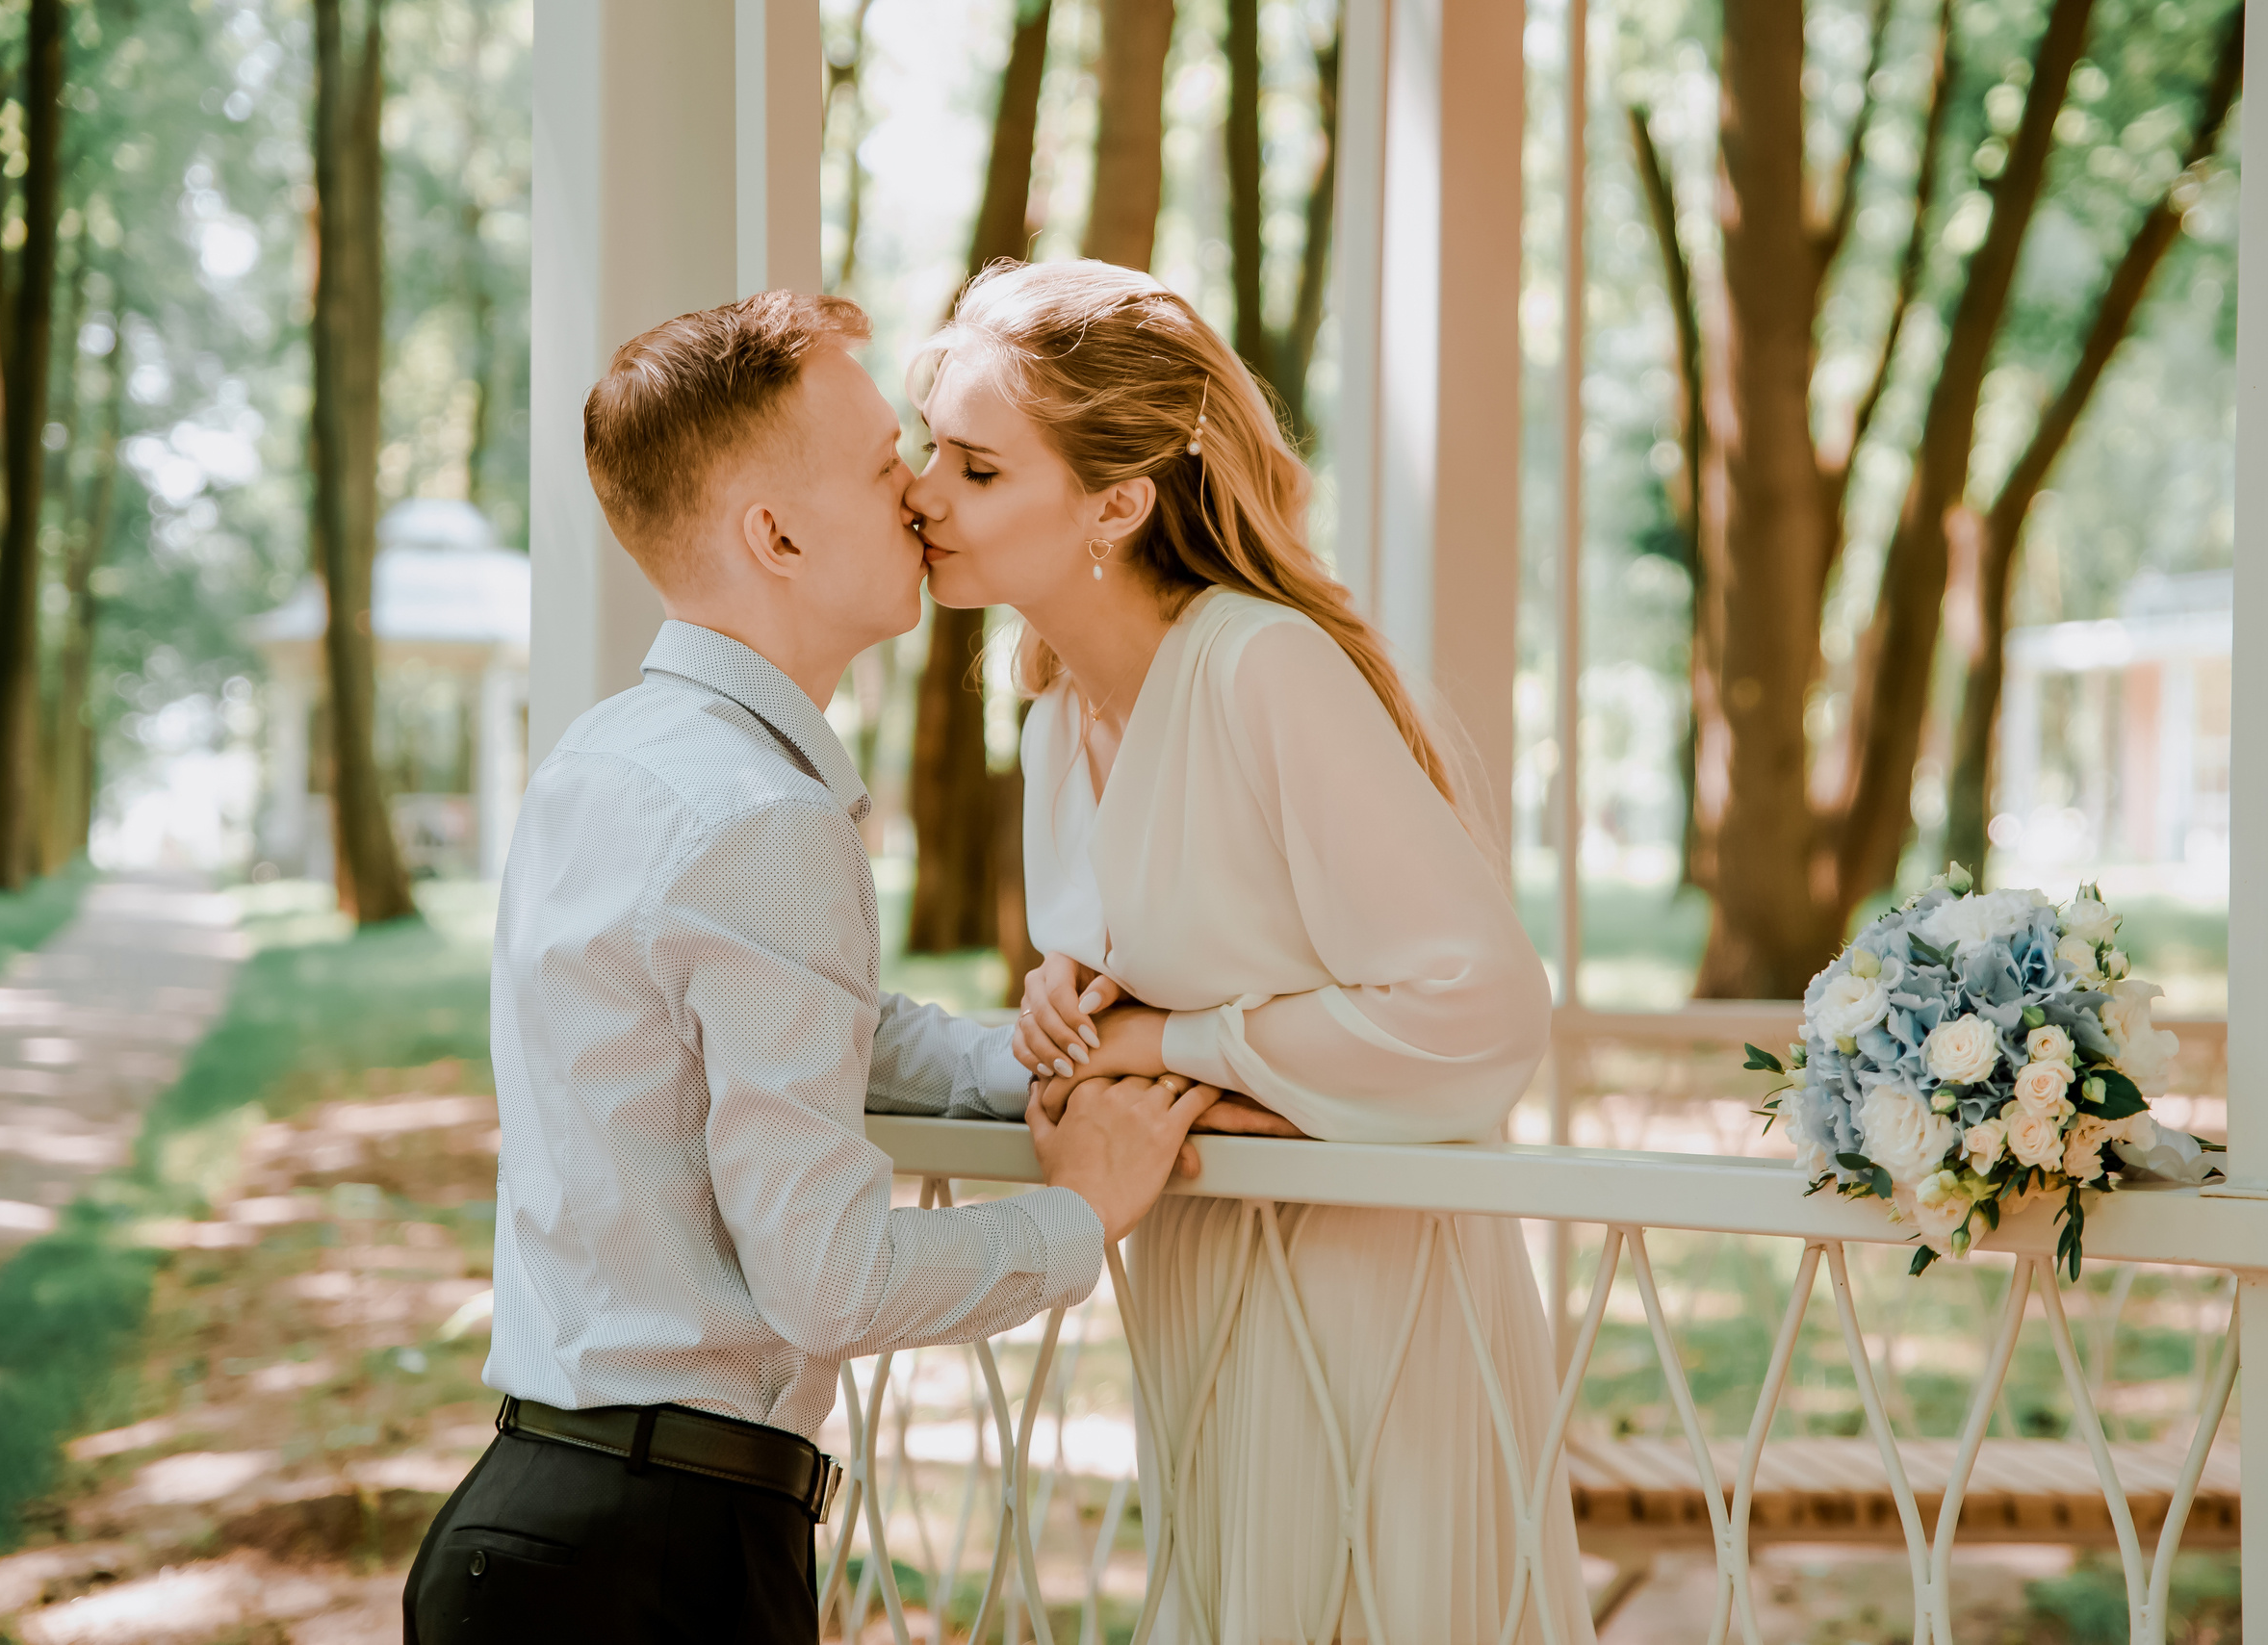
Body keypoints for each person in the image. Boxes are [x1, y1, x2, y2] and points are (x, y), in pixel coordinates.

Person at [403, 291, 1223, 1644]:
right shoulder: (763, 819)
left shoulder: (610, 759)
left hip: (538, 1523)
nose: (916, 486)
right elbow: (828, 1278)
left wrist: (1044, 1050)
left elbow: (814, 1026)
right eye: (880, 459)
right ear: (773, 534)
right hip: (652, 1566)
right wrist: (1080, 1214)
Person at [903, 259, 1596, 1645]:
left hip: (1372, 1300)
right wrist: (1072, 991)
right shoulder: (1052, 725)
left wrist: (1163, 1041)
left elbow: (1482, 1005)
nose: (920, 490)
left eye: (975, 468)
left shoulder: (1259, 667)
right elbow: (1184, 946)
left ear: (1116, 502)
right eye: (929, 451)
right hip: (1206, 1274)